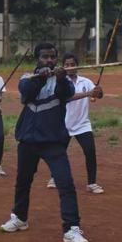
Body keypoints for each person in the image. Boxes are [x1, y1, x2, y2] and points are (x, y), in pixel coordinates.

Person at [0, 43, 88, 242]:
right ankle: (20, 218)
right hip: (28, 140)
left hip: (53, 142)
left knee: (65, 183)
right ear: (37, 59)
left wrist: (58, 77)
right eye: (44, 57)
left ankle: (71, 228)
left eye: (52, 57)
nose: (49, 60)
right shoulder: (26, 78)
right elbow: (27, 93)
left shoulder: (62, 80)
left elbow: (67, 92)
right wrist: (41, 76)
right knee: (23, 182)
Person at [46, 54, 104, 194]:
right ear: (63, 67)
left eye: (73, 64)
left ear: (77, 66)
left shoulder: (86, 82)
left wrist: (98, 92)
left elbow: (98, 95)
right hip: (63, 124)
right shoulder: (60, 83)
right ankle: (54, 177)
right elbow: (67, 97)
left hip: (82, 124)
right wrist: (88, 93)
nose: (70, 67)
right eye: (67, 65)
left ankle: (92, 183)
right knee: (59, 153)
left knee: (90, 152)